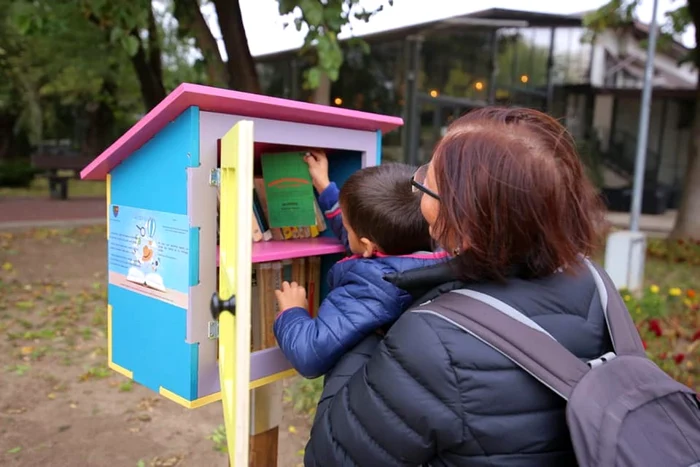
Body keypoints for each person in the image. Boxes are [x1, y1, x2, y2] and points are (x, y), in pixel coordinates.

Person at [303, 107, 610, 466]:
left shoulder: (432, 339)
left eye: (426, 185)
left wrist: (367, 325)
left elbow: (331, 456)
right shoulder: (595, 284)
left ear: (464, 216)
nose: (417, 196)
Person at [273, 151, 449, 379]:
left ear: (368, 246)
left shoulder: (371, 291)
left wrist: (292, 312)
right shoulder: (428, 250)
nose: (346, 232)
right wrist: (325, 188)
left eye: (347, 227)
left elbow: (310, 353)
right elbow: (361, 240)